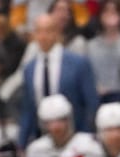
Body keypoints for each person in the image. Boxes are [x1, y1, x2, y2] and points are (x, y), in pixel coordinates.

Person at [18, 12, 98, 145]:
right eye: (39, 31)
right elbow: (28, 109)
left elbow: (91, 103)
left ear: (57, 32)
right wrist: (21, 142)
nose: (43, 36)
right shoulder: (29, 69)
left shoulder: (78, 64)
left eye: (48, 31)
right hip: (42, 138)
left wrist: (89, 136)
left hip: (76, 137)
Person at [15, 92, 103, 157]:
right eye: (50, 122)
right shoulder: (35, 149)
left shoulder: (89, 145)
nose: (56, 127)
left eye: (60, 120)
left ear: (69, 120)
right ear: (43, 124)